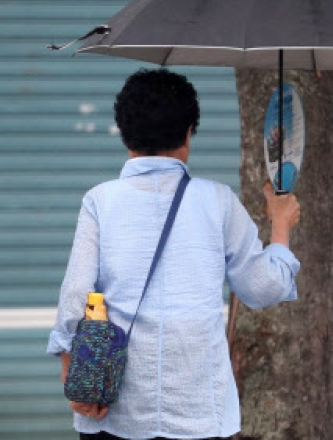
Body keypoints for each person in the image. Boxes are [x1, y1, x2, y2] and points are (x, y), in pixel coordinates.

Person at [47, 68, 301, 440]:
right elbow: (262, 288)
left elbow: (75, 295)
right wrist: (280, 225)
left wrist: (74, 372)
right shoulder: (218, 201)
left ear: (125, 133)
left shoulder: (100, 201)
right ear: (188, 134)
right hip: (198, 413)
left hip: (115, 410)